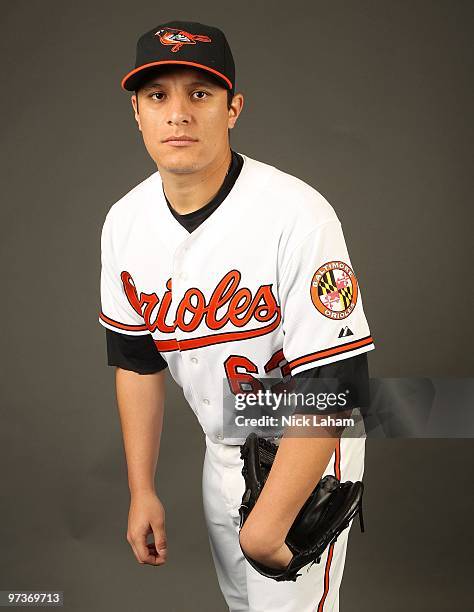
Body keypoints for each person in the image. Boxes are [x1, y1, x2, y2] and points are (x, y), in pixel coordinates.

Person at [98, 20, 375, 612]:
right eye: (158, 95)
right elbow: (136, 361)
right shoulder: (125, 222)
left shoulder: (297, 215)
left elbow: (336, 387)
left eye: (200, 93)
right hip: (221, 445)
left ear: (233, 108)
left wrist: (265, 527)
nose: (178, 114)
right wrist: (141, 489)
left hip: (308, 451)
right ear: (137, 113)